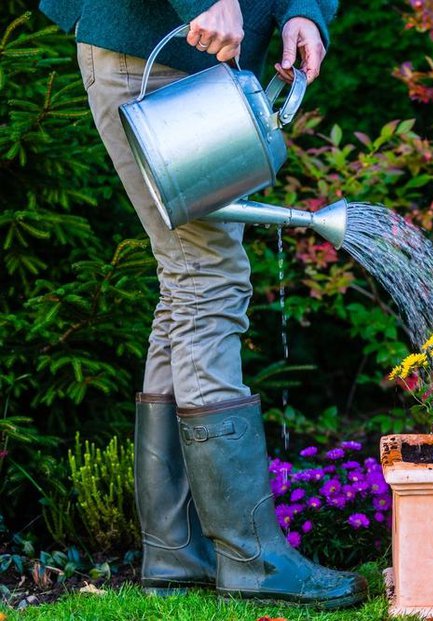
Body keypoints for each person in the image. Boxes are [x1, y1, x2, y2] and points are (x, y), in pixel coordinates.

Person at [39, 0, 367, 608]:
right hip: (150, 54)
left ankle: (175, 544)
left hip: (194, 64)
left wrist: (305, 12)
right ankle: (250, 557)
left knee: (190, 277)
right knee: (207, 276)